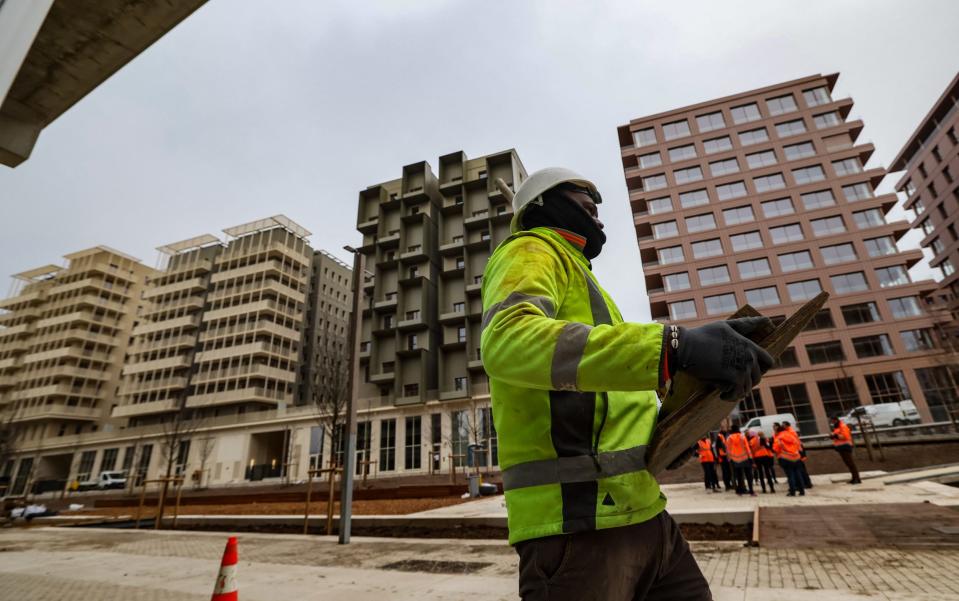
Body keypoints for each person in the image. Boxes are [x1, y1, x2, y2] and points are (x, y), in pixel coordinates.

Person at [481, 167, 774, 601]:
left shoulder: (585, 280)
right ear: (543, 205)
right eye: (585, 205)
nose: (598, 218)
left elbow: (607, 393)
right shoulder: (532, 250)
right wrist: (676, 346)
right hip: (578, 529)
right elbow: (507, 340)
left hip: (644, 514)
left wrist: (666, 435)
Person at [773, 423, 804, 496]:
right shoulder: (791, 435)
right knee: (798, 474)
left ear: (778, 431)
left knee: (790, 475)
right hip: (796, 457)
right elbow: (798, 444)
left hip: (786, 458)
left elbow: (775, 449)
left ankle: (792, 491)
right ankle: (802, 491)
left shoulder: (779, 438)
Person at [782, 421, 814, 489]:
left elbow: (795, 443)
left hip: (797, 452)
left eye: (783, 425)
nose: (782, 426)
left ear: (787, 425)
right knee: (801, 469)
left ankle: (807, 483)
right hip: (797, 451)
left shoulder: (791, 432)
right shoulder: (789, 431)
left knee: (801, 469)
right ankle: (806, 483)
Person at [725, 425, 755, 496]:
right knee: (749, 475)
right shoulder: (742, 436)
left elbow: (728, 450)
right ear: (738, 429)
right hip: (745, 458)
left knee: (739, 476)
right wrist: (751, 458)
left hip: (735, 459)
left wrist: (729, 459)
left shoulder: (729, 438)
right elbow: (747, 447)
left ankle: (739, 491)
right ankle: (751, 491)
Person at [830, 416, 861, 484]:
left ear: (835, 420)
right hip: (841, 447)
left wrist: (835, 436)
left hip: (845, 447)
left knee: (850, 463)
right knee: (848, 463)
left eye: (832, 420)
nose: (831, 422)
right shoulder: (837, 427)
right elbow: (837, 436)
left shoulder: (842, 426)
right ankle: (854, 478)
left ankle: (857, 478)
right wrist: (833, 436)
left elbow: (845, 436)